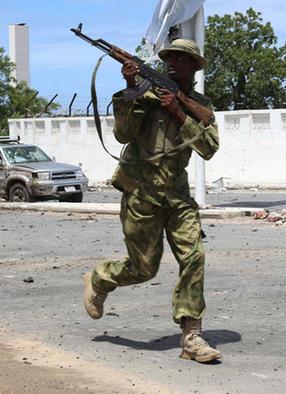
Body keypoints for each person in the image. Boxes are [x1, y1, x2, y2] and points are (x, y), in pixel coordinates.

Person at [82, 39, 221, 363]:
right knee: (144, 269)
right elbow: (123, 135)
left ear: (193, 66)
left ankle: (191, 337)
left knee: (194, 257)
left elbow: (210, 147)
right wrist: (131, 87)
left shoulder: (199, 104)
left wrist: (178, 111)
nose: (173, 62)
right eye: (169, 57)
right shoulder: (145, 95)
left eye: (180, 58)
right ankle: (101, 278)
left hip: (177, 196)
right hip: (141, 193)